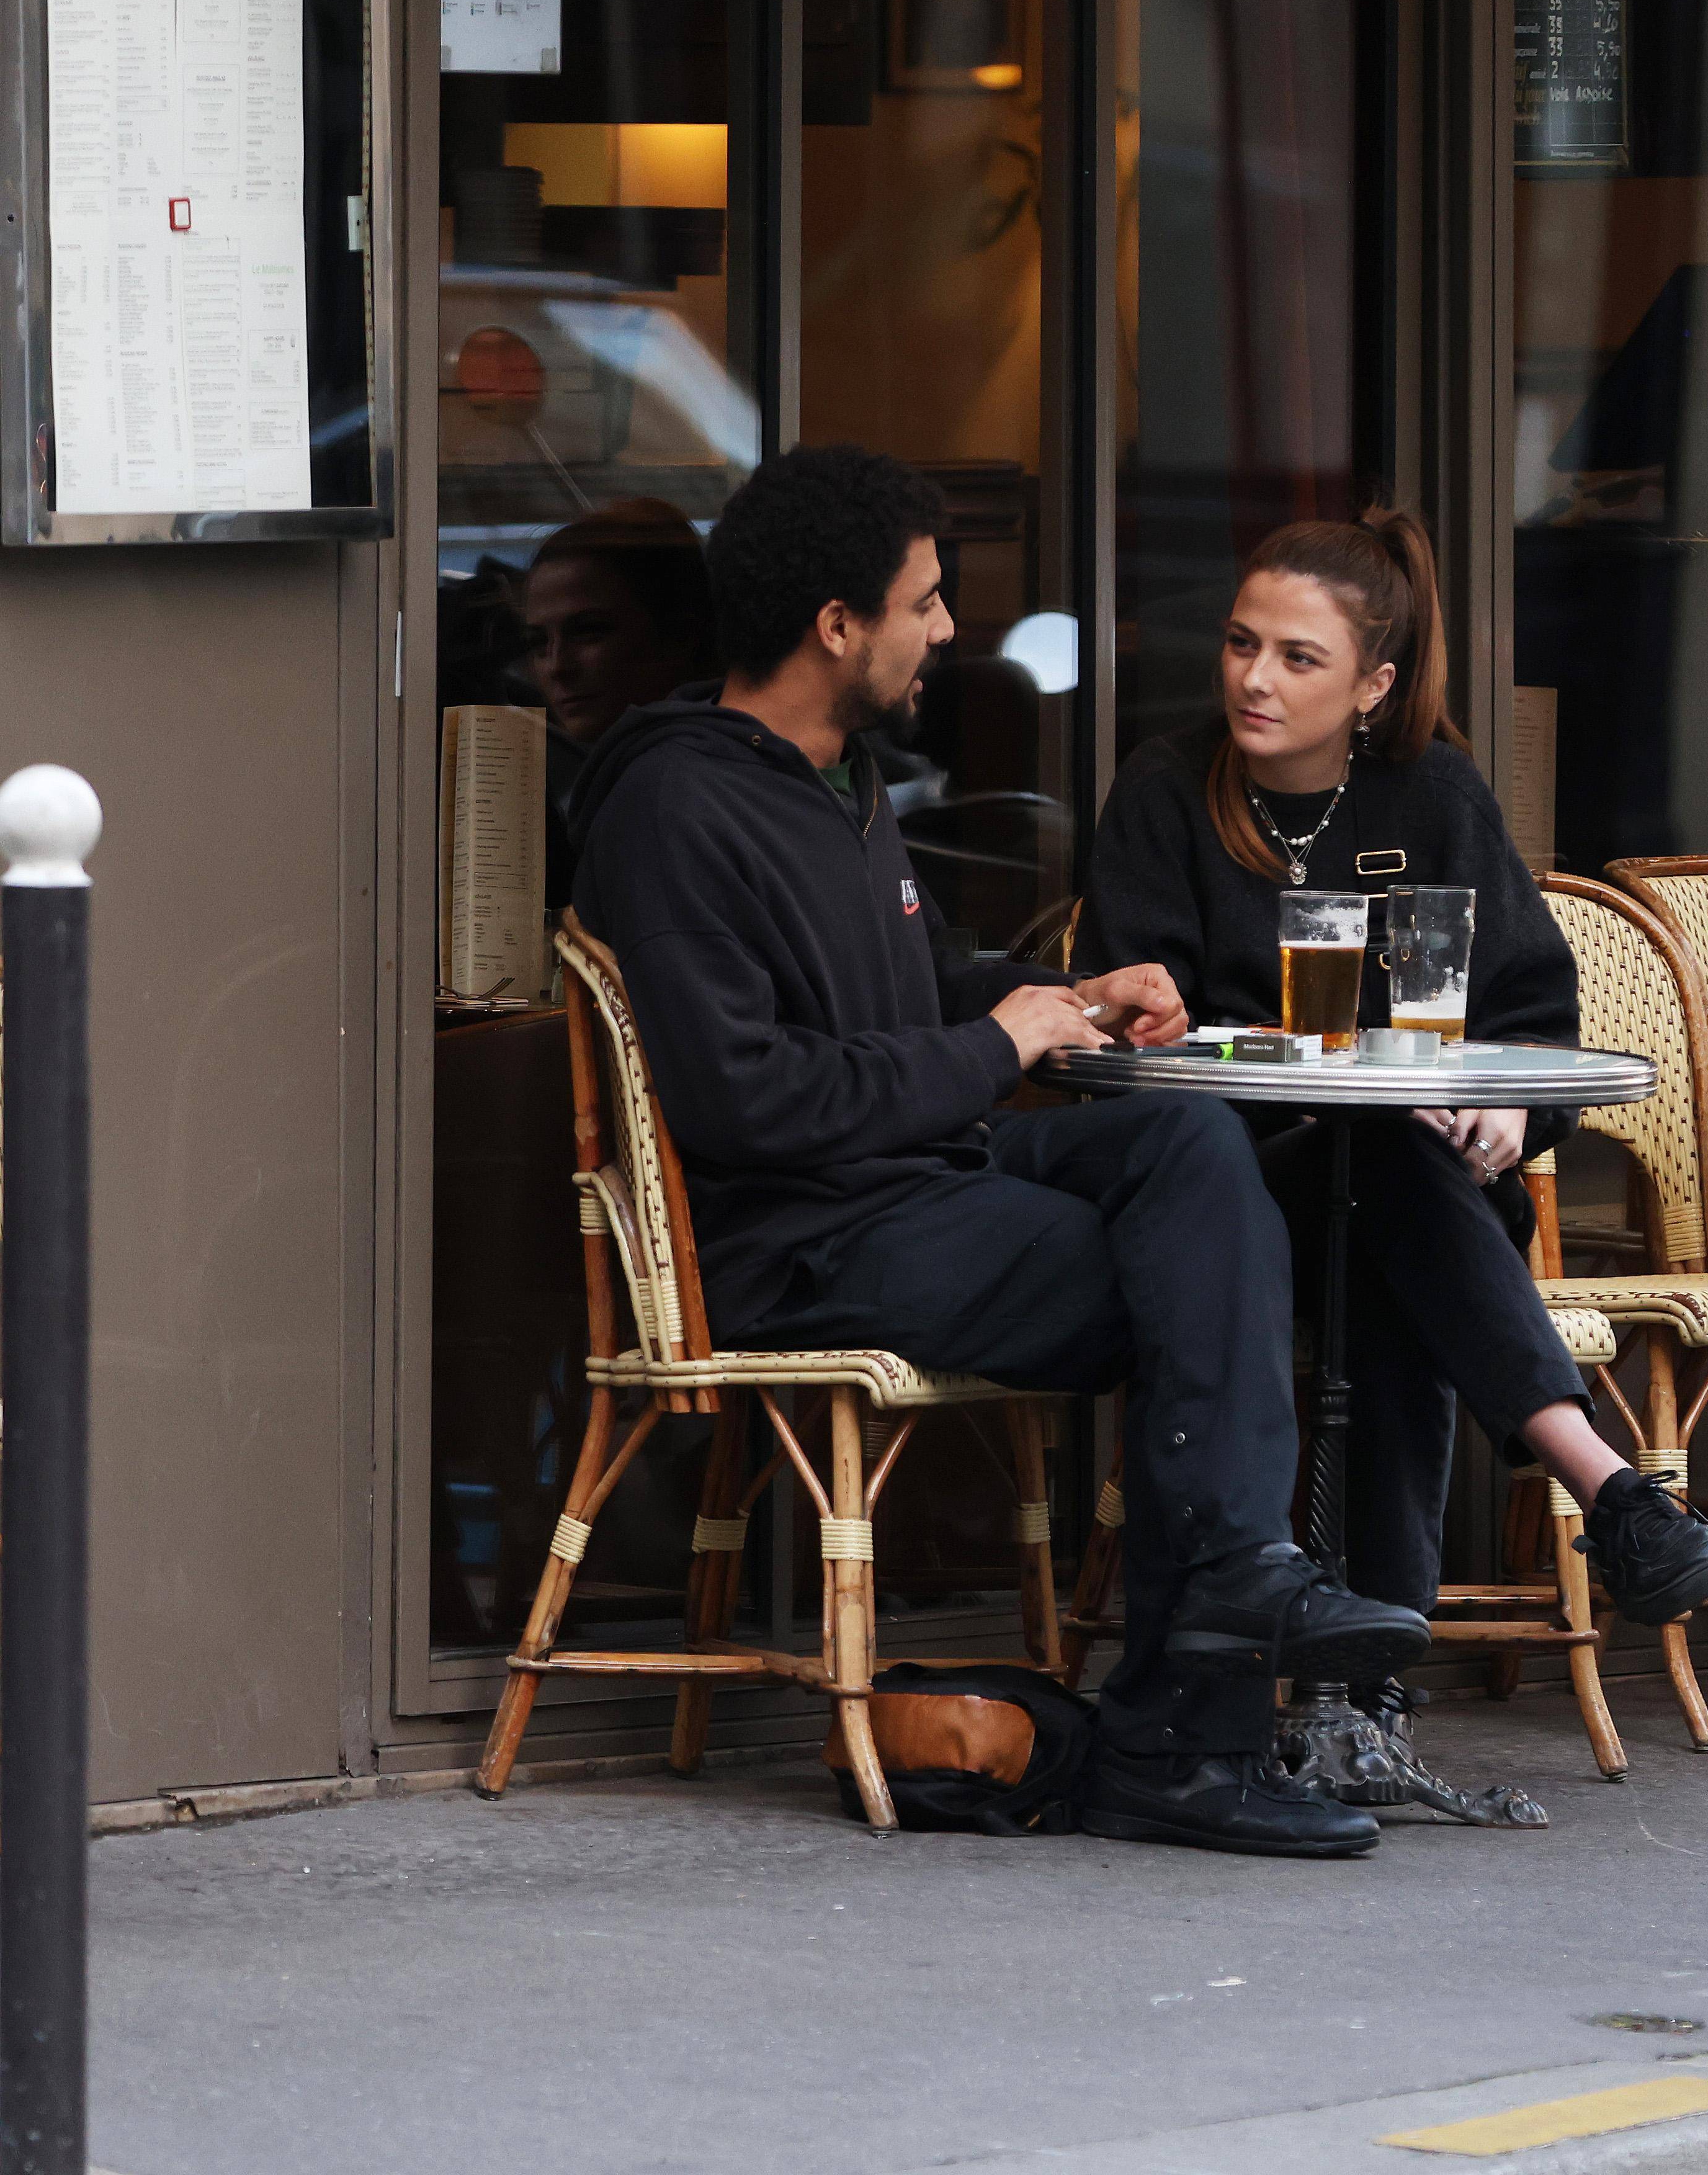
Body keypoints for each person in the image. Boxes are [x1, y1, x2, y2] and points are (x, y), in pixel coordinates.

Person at [570, 446, 1426, 1859]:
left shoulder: (837, 783)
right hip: (798, 1241)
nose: (950, 628)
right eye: (925, 599)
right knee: (1207, 1277)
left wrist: (1076, 1001)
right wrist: (1001, 1041)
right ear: (836, 625)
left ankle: (1221, 1600)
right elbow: (746, 1101)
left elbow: (890, 1000)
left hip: (908, 1186)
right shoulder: (676, 806)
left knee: (1183, 1141)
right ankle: (1189, 1723)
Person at [1083, 506, 1708, 1707]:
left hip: (1393, 1193)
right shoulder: (1167, 792)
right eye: (1241, 644)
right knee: (1385, 1180)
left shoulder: (1432, 793)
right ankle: (1603, 1490)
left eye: (1296, 658)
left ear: (1373, 684)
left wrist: (1510, 1118)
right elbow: (1142, 1028)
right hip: (1222, 1191)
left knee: (1390, 1222)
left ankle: (1372, 1691)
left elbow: (1530, 1012)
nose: (1254, 679)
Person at [519, 498, 720, 904]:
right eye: (539, 643)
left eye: (589, 631)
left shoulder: (674, 793)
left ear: (679, 633)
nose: (558, 666)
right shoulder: (624, 780)